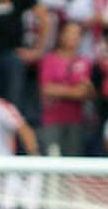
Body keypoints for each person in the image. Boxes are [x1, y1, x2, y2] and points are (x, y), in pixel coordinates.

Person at [38, 20, 94, 156]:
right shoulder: (49, 60)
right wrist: (74, 91)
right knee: (52, 161)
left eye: (76, 34)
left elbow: (85, 92)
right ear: (61, 35)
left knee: (72, 164)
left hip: (76, 121)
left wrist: (61, 90)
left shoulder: (84, 62)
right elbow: (46, 89)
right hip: (52, 120)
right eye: (69, 33)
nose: (73, 37)